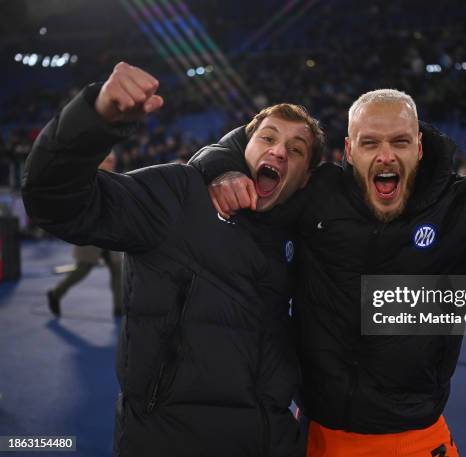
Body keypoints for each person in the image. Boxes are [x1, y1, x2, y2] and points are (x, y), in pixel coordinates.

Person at [193, 89, 466, 457]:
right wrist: (222, 170)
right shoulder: (317, 192)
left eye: (400, 141)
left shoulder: (462, 206)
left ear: (420, 147)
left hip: (413, 441)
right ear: (349, 151)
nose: (386, 155)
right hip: (314, 439)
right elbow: (249, 147)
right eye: (370, 142)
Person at [22, 62, 325, 457]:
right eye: (267, 137)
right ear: (243, 147)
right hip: (170, 441)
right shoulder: (178, 196)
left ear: (305, 178)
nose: (279, 151)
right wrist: (94, 119)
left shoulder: (303, 235)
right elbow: (55, 201)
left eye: (296, 149)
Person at [46, 152, 123, 317]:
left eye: (113, 161)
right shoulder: (87, 179)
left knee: (117, 269)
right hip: (91, 231)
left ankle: (119, 307)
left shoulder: (113, 179)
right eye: (108, 161)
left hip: (109, 232)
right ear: (99, 162)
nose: (112, 163)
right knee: (83, 269)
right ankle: (56, 293)